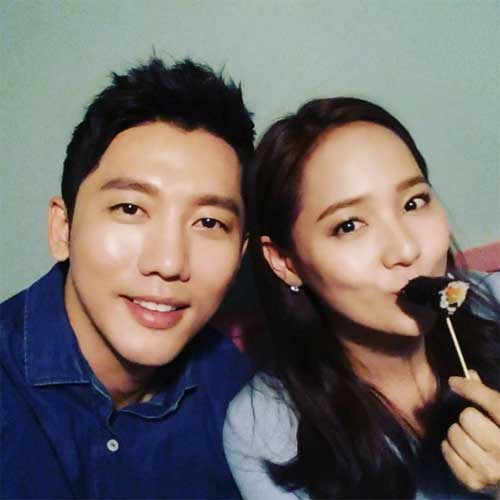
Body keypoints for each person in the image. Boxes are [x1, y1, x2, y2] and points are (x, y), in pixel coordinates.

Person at [1, 57, 255, 499]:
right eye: (131, 208)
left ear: (240, 255)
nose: (168, 261)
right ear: (63, 229)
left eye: (209, 222)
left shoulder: (245, 401)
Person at [223, 97, 500, 499]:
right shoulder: (266, 429)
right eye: (349, 225)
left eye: (414, 202)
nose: (406, 249)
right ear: (285, 262)